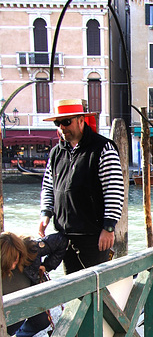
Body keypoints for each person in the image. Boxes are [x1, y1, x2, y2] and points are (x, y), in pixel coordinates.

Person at [39, 99, 124, 274]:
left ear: (81, 120)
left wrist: (108, 228)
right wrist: (46, 213)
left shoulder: (103, 148)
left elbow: (114, 190)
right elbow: (49, 186)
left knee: (96, 290)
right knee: (73, 290)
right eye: (58, 123)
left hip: (94, 237)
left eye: (66, 122)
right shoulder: (56, 152)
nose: (62, 127)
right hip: (64, 237)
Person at [1, 231, 68, 337]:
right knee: (8, 328)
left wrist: (47, 266)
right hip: (6, 306)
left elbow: (61, 240)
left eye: (15, 260)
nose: (12, 266)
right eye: (7, 263)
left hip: (26, 298)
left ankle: (22, 336)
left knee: (43, 320)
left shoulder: (30, 248)